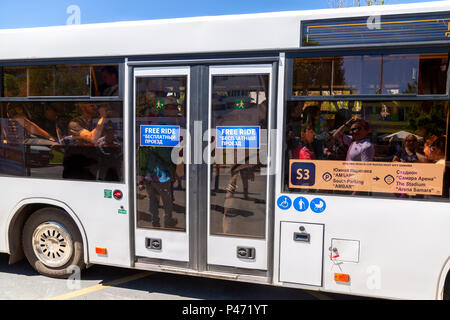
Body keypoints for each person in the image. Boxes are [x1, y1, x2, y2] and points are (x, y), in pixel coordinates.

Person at [62, 103, 108, 180]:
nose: (95, 107)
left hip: (91, 163)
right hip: (75, 164)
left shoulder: (94, 121)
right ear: (82, 107)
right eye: (91, 105)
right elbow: (93, 138)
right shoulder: (74, 123)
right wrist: (103, 117)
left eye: (97, 105)